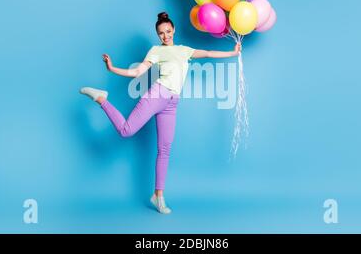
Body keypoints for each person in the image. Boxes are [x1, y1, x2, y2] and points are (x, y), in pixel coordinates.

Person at [80, 12, 241, 214]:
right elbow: (137, 72)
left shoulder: (184, 51)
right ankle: (102, 99)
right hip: (157, 94)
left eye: (167, 31)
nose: (165, 36)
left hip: (172, 103)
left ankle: (158, 195)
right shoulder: (156, 51)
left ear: (173, 30)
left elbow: (208, 53)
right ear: (158, 35)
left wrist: (233, 53)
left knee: (164, 150)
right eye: (161, 33)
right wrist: (112, 68)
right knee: (126, 131)